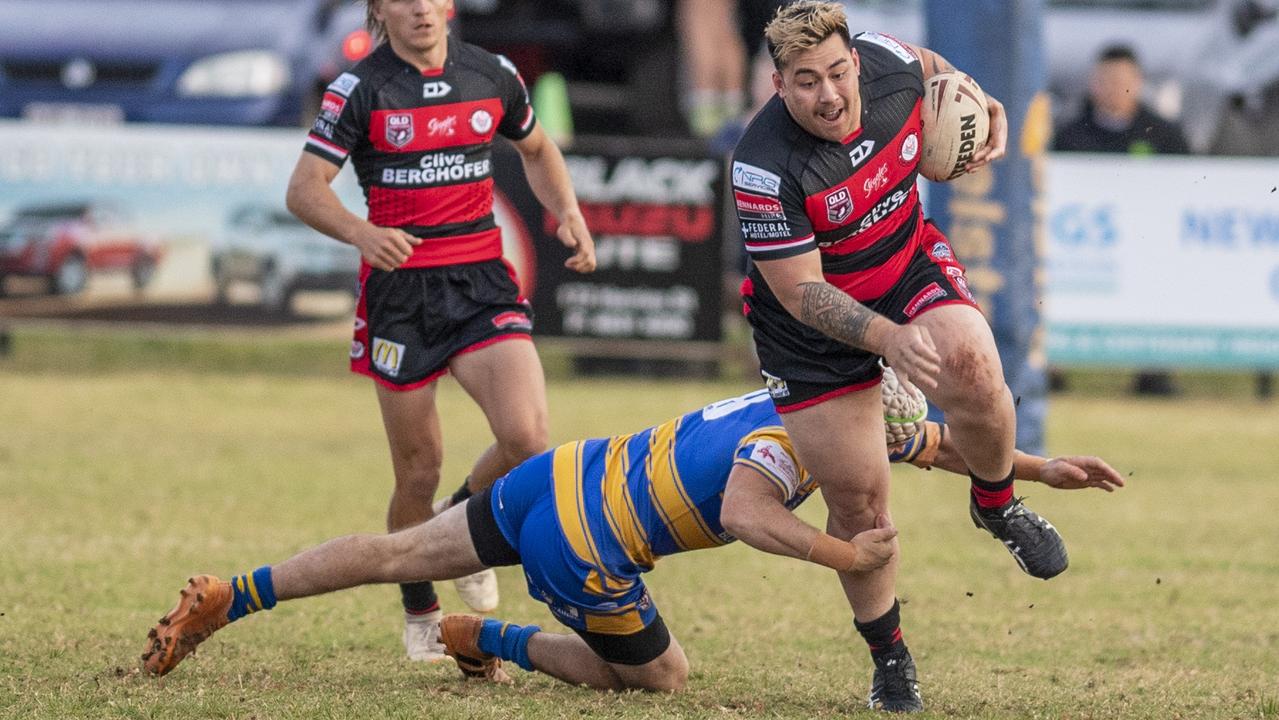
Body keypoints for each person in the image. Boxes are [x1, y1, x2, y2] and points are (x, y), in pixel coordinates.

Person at [141, 375, 1124, 709]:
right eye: (882, 438)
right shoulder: (791, 443)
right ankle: (483, 639)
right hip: (586, 543)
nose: (891, 451)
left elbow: (928, 442)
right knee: (660, 681)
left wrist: (1039, 472)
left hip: (557, 475)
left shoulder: (823, 396)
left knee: (397, 554)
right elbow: (745, 514)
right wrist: (846, 558)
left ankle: (239, 591)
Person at [728, 1, 1070, 710]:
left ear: (856, 61)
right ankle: (890, 658)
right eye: (804, 82)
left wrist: (989, 111)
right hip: (808, 335)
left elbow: (941, 72)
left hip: (904, 260)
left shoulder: (889, 64)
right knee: (859, 504)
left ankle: (996, 504)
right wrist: (887, 340)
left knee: (977, 373)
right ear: (776, 85)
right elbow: (799, 294)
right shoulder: (762, 167)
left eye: (836, 72)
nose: (827, 95)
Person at [284, 0, 596, 662]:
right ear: (380, 9)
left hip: (481, 282)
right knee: (416, 469)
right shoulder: (360, 89)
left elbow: (538, 149)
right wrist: (361, 232)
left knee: (527, 438)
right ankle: (421, 610)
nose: (421, 8)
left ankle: (465, 524)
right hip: (399, 298)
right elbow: (305, 189)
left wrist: (566, 211)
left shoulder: (493, 75)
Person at [1052, 44, 1189, 397]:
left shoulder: (1164, 134)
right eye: (1105, 79)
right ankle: (1054, 370)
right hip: (1087, 244)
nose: (1114, 88)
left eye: (1122, 80)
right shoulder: (1070, 135)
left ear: (1139, 83)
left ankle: (1154, 373)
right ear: (1092, 84)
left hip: (1151, 244)